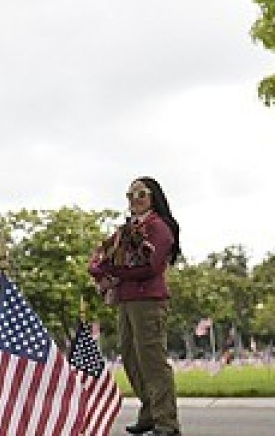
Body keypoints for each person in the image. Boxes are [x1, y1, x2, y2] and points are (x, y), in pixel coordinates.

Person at [88, 177, 183, 436]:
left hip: (149, 300)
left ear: (153, 197)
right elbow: (107, 256)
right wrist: (101, 266)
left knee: (152, 360)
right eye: (129, 195)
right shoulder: (126, 229)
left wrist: (114, 270)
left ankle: (167, 422)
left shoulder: (159, 227)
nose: (134, 199)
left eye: (140, 194)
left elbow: (150, 266)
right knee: (131, 357)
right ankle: (150, 411)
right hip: (127, 299)